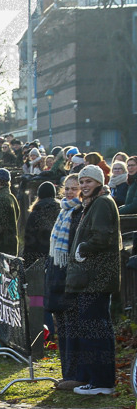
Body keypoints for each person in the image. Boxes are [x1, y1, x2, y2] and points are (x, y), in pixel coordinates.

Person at [63, 166, 121, 396]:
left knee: (96, 331)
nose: (85, 185)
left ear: (99, 182)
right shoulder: (93, 204)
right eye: (82, 181)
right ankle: (95, 379)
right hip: (91, 279)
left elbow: (102, 236)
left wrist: (83, 248)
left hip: (96, 278)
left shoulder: (102, 203)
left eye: (88, 181)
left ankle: (101, 382)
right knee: (94, 329)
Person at [46, 175, 83, 386]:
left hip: (70, 276)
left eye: (74, 188)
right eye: (67, 188)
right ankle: (66, 373)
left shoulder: (78, 213)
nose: (69, 192)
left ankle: (73, 374)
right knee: (62, 327)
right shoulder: (63, 212)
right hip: (57, 274)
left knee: (72, 327)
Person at [23, 181, 60, 268]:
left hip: (40, 261)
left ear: (39, 195)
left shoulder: (36, 214)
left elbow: (29, 242)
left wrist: (27, 265)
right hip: (58, 258)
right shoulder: (61, 211)